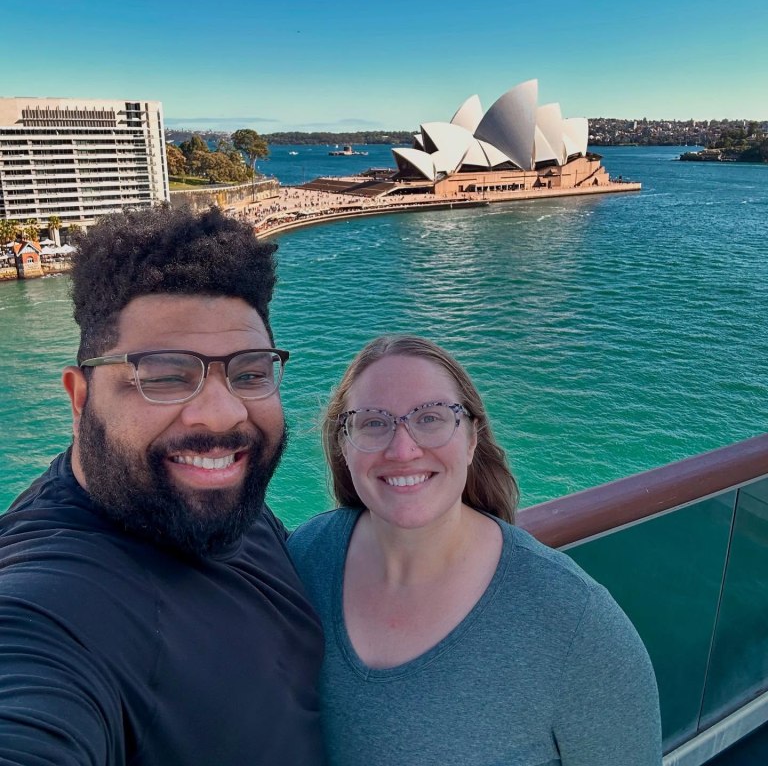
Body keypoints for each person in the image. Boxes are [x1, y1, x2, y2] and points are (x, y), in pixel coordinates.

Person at [0, 206, 324, 765]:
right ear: (80, 400)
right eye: (165, 376)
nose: (222, 415)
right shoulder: (56, 605)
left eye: (249, 372)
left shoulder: (208, 495)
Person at [289, 334, 662, 766]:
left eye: (430, 417)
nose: (403, 448)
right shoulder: (306, 557)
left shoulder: (576, 623)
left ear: (471, 439)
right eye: (373, 422)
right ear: (343, 445)